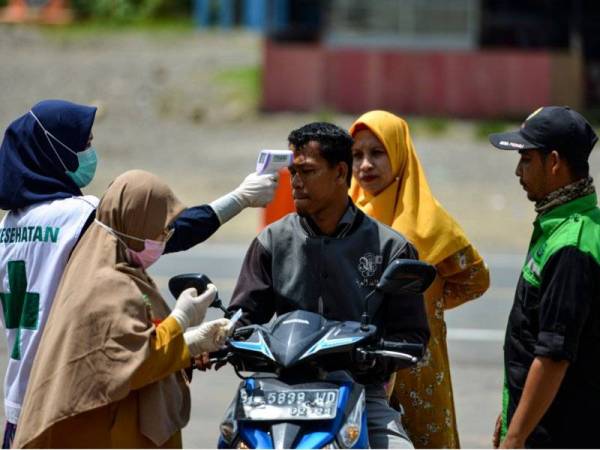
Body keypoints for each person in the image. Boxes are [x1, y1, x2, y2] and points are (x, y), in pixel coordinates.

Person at [0, 99, 277, 447]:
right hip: (74, 395)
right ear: (56, 153)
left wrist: (183, 346)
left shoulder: (8, 227)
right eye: (83, 145)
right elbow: (161, 233)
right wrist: (239, 199)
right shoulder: (80, 217)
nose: (89, 152)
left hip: (20, 395)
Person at [227, 122, 431, 449]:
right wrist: (221, 338)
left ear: (339, 172)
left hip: (360, 393)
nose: (294, 182)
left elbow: (413, 336)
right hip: (276, 390)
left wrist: (372, 358)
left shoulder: (391, 248)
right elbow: (241, 317)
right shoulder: (271, 241)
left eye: (306, 171)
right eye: (292, 171)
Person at [12, 170, 233, 448]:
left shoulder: (111, 271)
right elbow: (135, 362)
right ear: (134, 223)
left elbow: (126, 349)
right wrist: (181, 320)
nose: (165, 237)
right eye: (161, 229)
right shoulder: (108, 286)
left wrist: (189, 346)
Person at [348, 110, 490, 448]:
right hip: (361, 366)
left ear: (399, 153)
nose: (365, 164)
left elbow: (475, 279)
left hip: (419, 367)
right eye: (356, 155)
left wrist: (431, 303)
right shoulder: (346, 216)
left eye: (377, 153)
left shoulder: (430, 222)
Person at [488, 106, 600, 448]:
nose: (518, 171)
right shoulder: (558, 227)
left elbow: (553, 354)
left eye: (526, 159)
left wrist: (515, 437)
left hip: (560, 433)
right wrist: (512, 415)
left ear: (553, 163)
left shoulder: (573, 245)